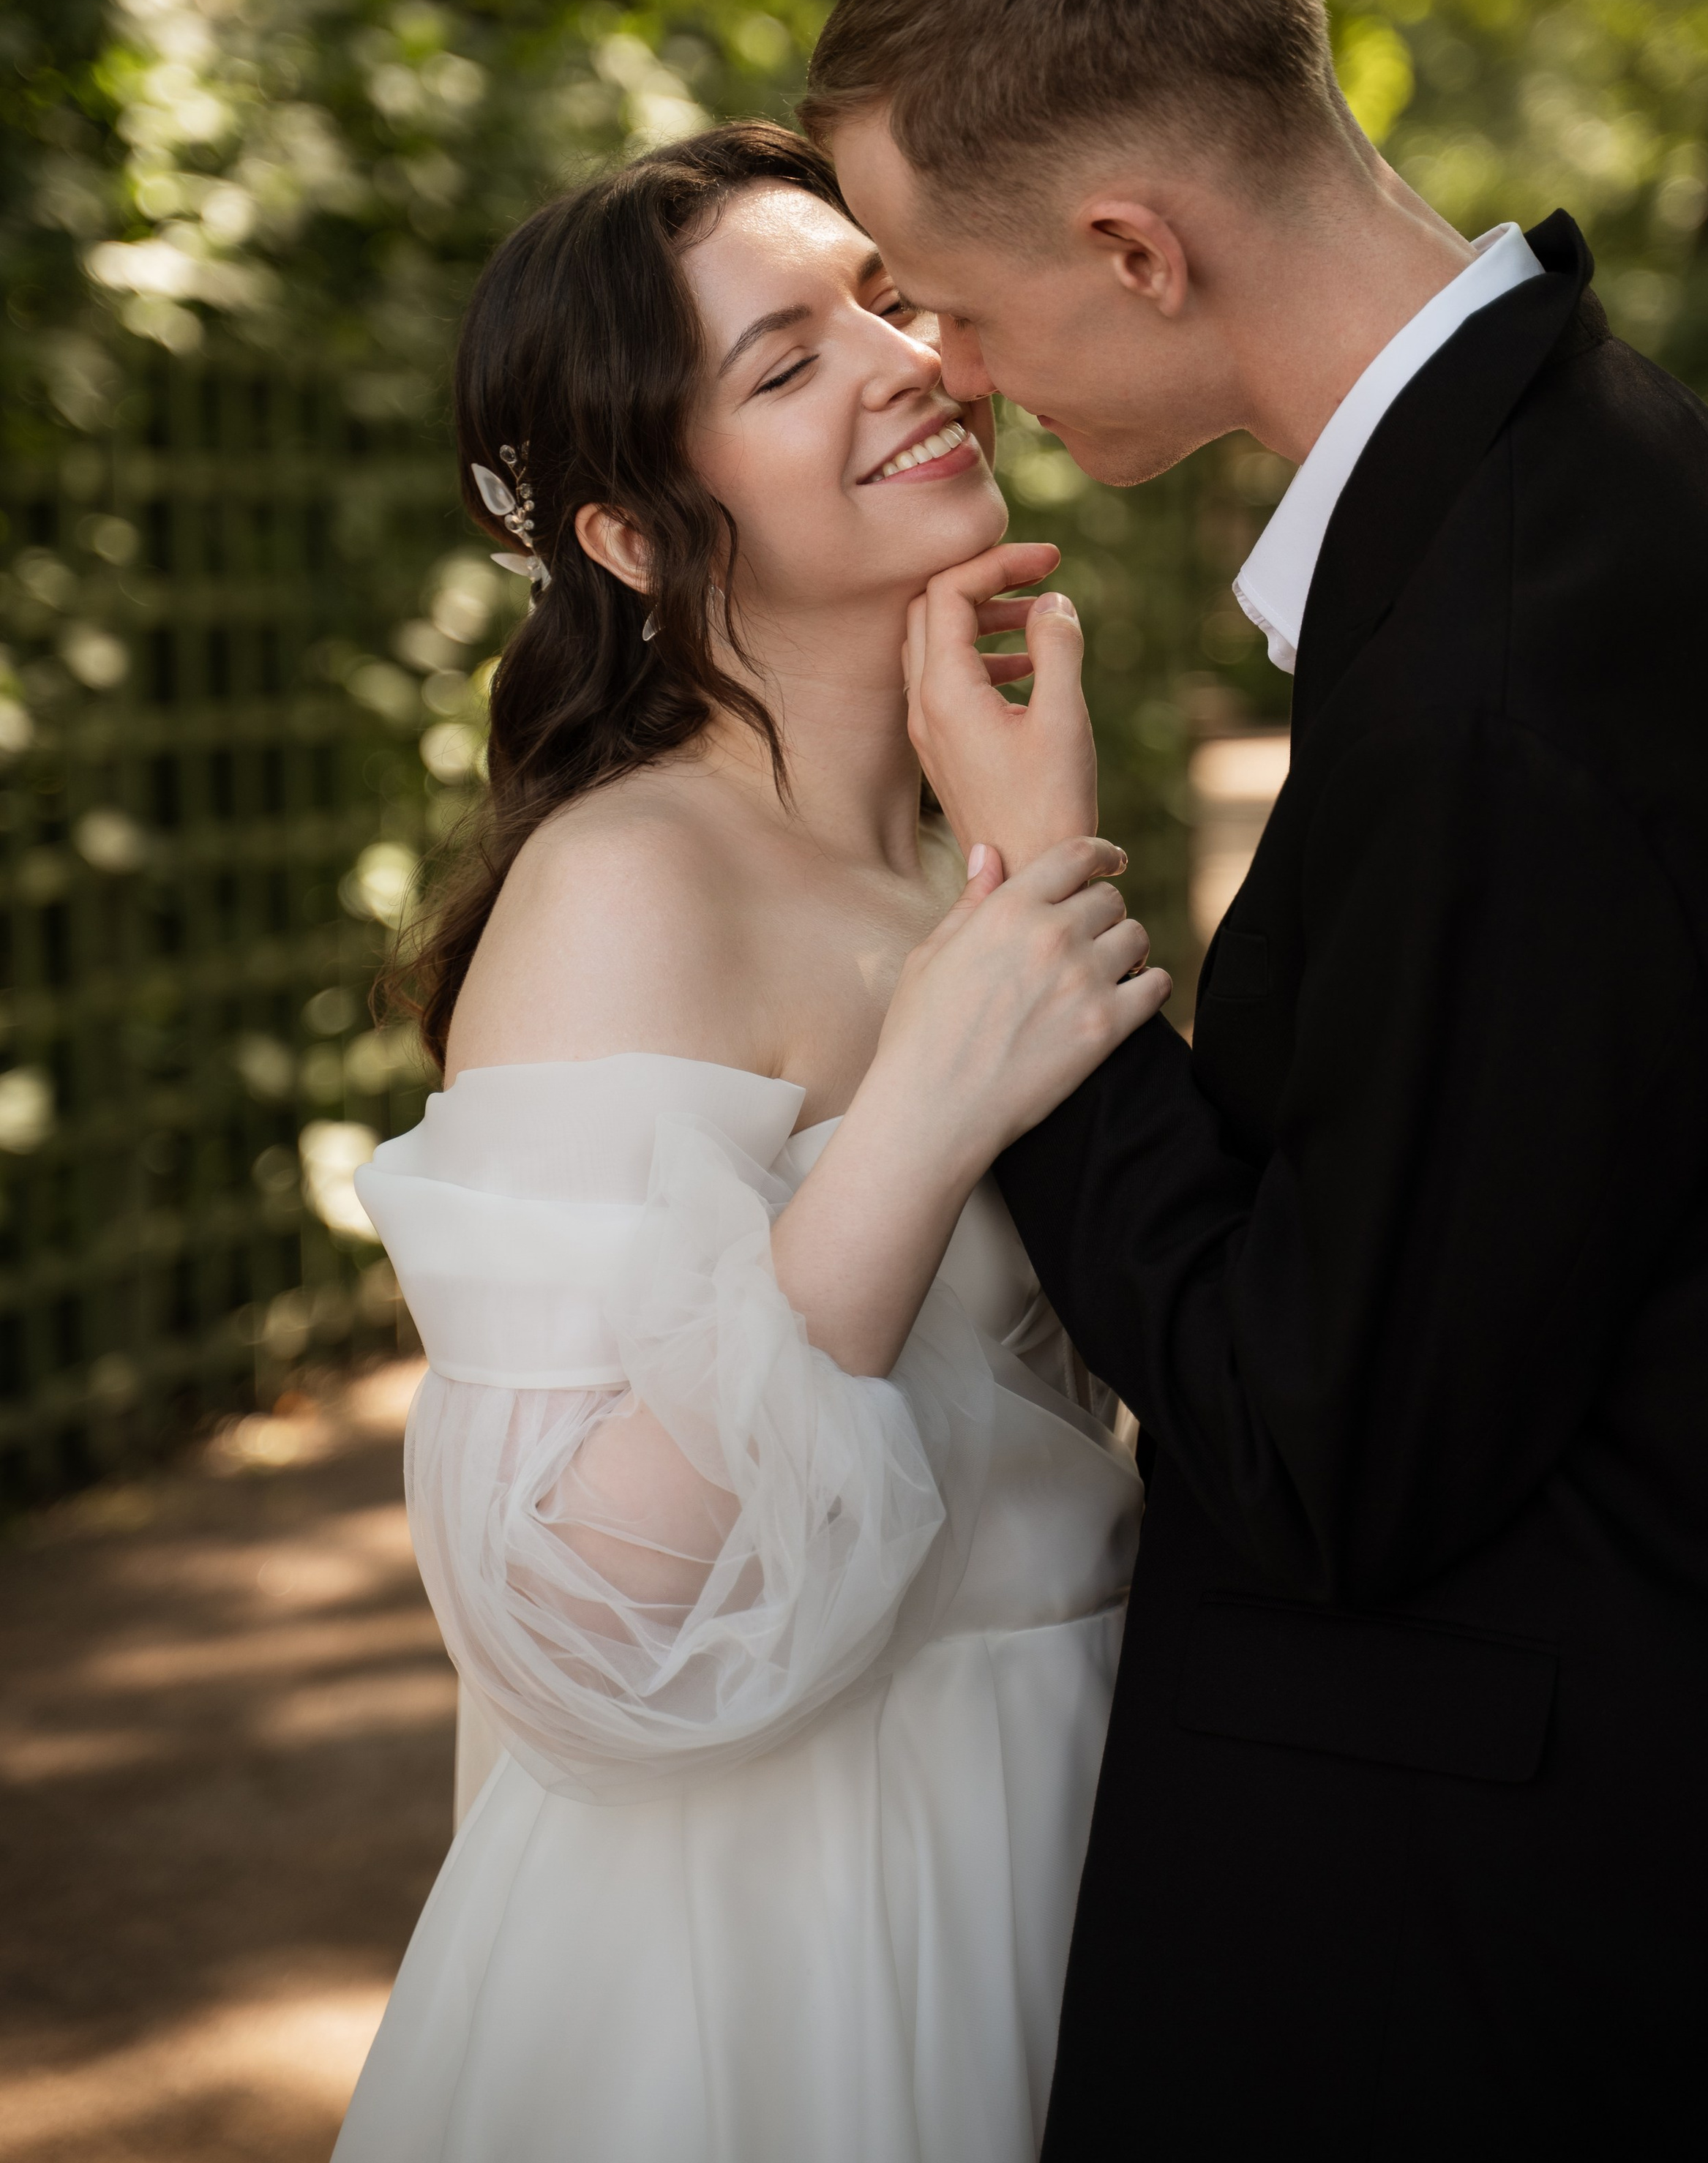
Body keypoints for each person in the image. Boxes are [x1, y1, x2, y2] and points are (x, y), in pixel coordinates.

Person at [801, 0, 1708, 2158]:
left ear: (1134, 244)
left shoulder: (1518, 670)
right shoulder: (1617, 481)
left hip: (1496, 1962)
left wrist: (1040, 917)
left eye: (958, 300)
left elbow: (1328, 1448)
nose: (948, 371)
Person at [331, 123, 1165, 2163]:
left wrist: (1033, 868)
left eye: (887, 296)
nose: (900, 357)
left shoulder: (951, 856)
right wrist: (932, 1103)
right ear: (628, 536)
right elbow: (574, 1615)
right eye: (787, 364)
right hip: (780, 1933)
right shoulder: (633, 884)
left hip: (1067, 1841)